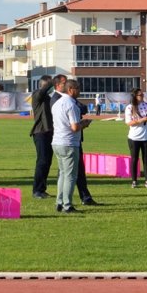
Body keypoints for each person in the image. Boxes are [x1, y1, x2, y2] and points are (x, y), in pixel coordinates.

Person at [51, 79, 86, 213]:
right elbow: (75, 127)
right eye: (78, 88)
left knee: (62, 174)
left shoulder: (57, 103)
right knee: (70, 176)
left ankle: (59, 202)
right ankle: (67, 205)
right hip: (69, 143)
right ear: (70, 89)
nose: (79, 91)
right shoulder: (71, 105)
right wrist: (85, 124)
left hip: (57, 141)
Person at [29, 75, 53, 199]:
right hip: (40, 132)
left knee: (47, 161)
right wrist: (55, 81)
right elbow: (44, 90)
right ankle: (37, 190)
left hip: (49, 132)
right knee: (42, 161)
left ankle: (42, 189)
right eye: (49, 84)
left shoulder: (48, 97)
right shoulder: (37, 94)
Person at [125, 88, 147, 189]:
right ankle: (134, 181)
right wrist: (142, 120)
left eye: (142, 94)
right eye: (140, 95)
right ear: (135, 96)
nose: (142, 96)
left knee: (146, 159)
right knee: (134, 159)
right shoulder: (129, 107)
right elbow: (129, 123)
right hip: (134, 137)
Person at [73, 94, 98, 205]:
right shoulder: (62, 101)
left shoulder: (69, 101)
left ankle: (85, 197)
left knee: (78, 171)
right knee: (68, 174)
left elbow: (83, 108)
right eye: (76, 88)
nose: (79, 91)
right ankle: (64, 202)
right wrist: (82, 124)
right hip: (68, 141)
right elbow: (73, 126)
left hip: (73, 140)